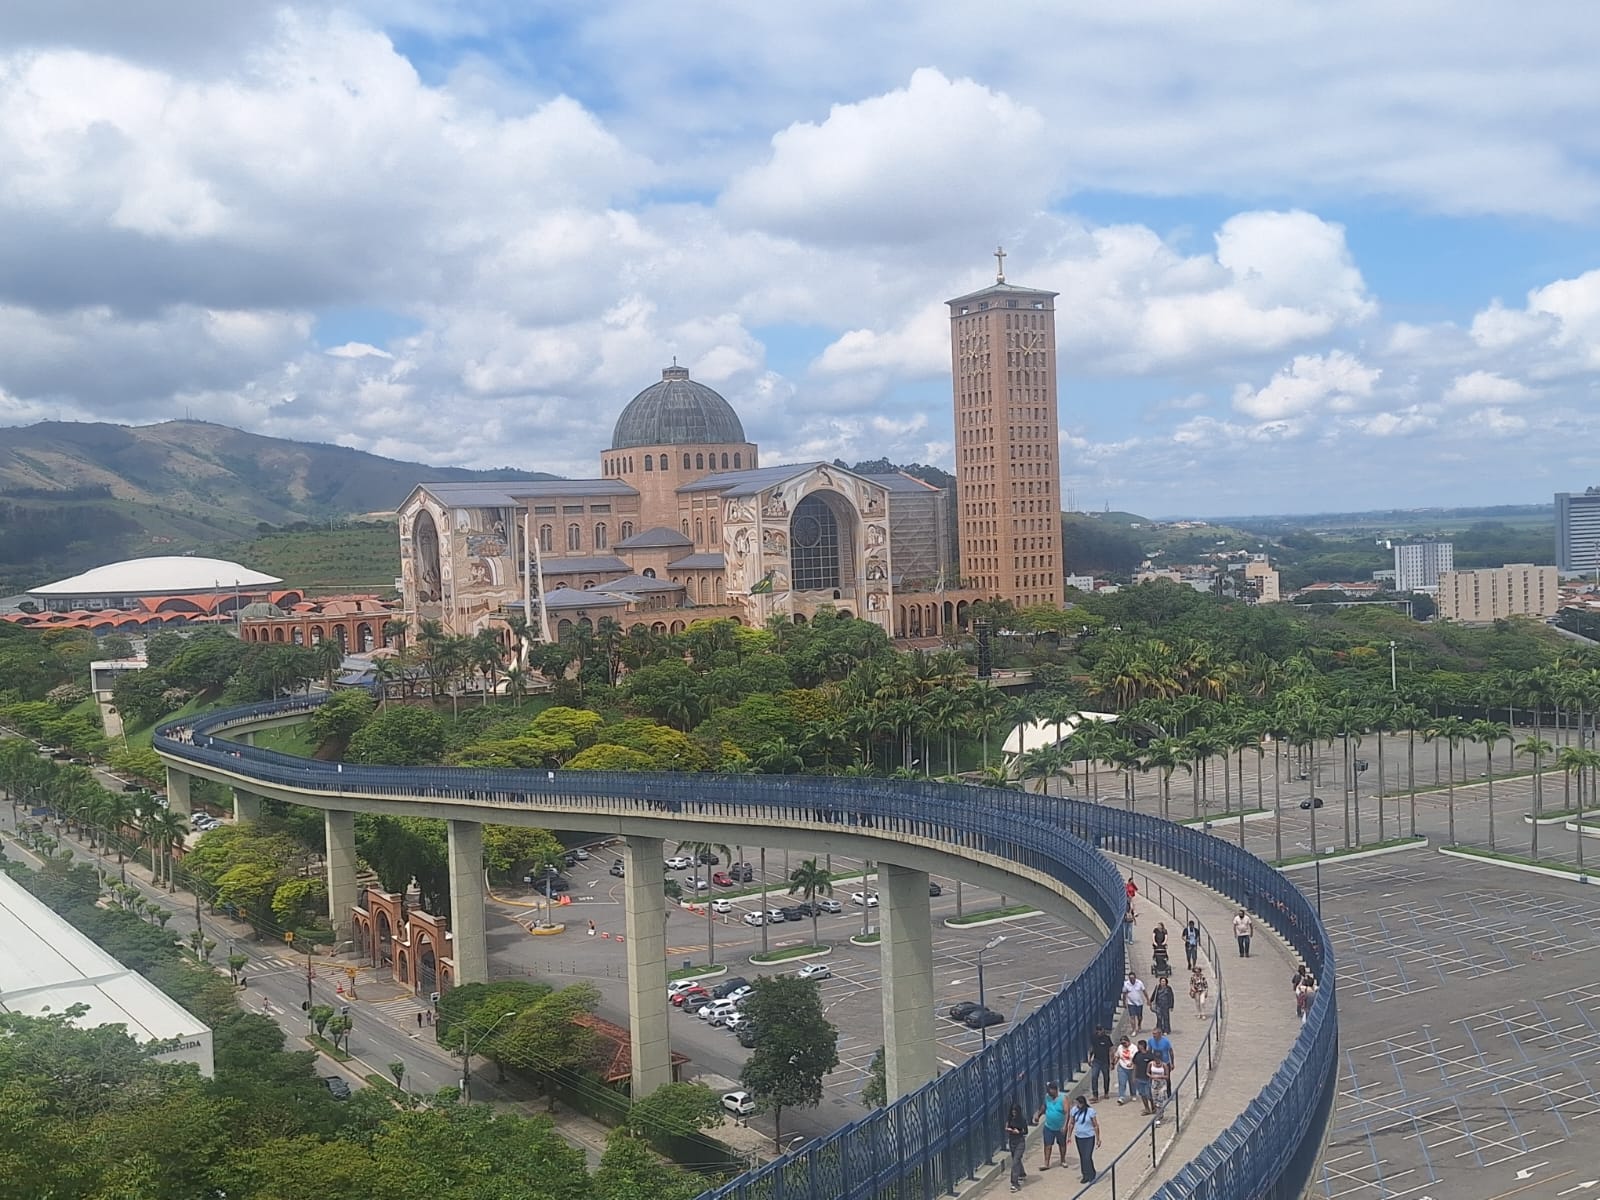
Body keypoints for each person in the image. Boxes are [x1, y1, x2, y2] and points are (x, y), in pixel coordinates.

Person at [1035, 1082, 1067, 1171]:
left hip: (1060, 1126)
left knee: (1062, 1144)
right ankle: (1046, 1163)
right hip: (1048, 1126)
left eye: (1050, 1090)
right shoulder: (1047, 1097)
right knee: (1047, 1144)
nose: (1049, 1092)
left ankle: (1063, 1160)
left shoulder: (1063, 1098)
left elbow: (1067, 1112)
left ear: (1055, 1090)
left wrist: (1065, 1126)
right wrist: (1038, 1115)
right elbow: (1044, 1106)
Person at [1071, 1094, 1102, 1184]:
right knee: (1082, 1156)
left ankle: (1091, 1174)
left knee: (1087, 1156)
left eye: (1078, 1104)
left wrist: (1098, 1138)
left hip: (1089, 1137)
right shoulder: (1074, 1110)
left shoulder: (1090, 1111)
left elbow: (1095, 1125)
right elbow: (1072, 1123)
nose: (1077, 1106)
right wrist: (1069, 1135)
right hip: (1079, 1136)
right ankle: (1085, 1174)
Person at [1005, 1102, 1030, 1191]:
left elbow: (1026, 1131)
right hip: (1012, 1141)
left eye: (1015, 1112)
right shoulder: (1010, 1118)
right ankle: (1022, 1173)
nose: (1014, 1113)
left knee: (1015, 1161)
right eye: (1012, 1111)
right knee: (1016, 1159)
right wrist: (1008, 1129)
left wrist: (1018, 1132)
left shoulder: (1022, 1120)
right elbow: (1006, 1126)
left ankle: (1014, 1183)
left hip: (1020, 1142)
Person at [1090, 1025, 1114, 1101]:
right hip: (1096, 1060)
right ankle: (1095, 1094)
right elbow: (1092, 1048)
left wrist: (1111, 1061)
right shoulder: (1094, 1038)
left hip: (1105, 1061)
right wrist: (1089, 1058)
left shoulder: (1107, 1038)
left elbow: (1111, 1049)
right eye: (1098, 1030)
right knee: (1094, 1076)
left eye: (1100, 1030)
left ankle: (1106, 1092)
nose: (1099, 1031)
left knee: (1106, 1077)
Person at [1132, 1039, 1155, 1115]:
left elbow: (1153, 1065)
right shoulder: (1137, 1055)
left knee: (1149, 1094)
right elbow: (1135, 1065)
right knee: (1142, 1094)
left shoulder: (1150, 1055)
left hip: (1148, 1078)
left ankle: (1153, 1107)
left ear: (1142, 1046)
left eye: (1139, 1045)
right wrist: (1134, 1076)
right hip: (1139, 1077)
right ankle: (1147, 1109)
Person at [1115, 1035, 1136, 1105]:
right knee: (1122, 1082)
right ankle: (1121, 1096)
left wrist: (1131, 1063)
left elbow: (1136, 1058)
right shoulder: (1120, 1048)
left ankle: (1133, 1094)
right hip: (1122, 1066)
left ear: (1128, 1041)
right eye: (1122, 1043)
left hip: (1132, 1068)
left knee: (1132, 1082)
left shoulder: (1134, 1048)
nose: (1123, 1045)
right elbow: (1117, 1055)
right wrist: (1114, 1063)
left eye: (1124, 1043)